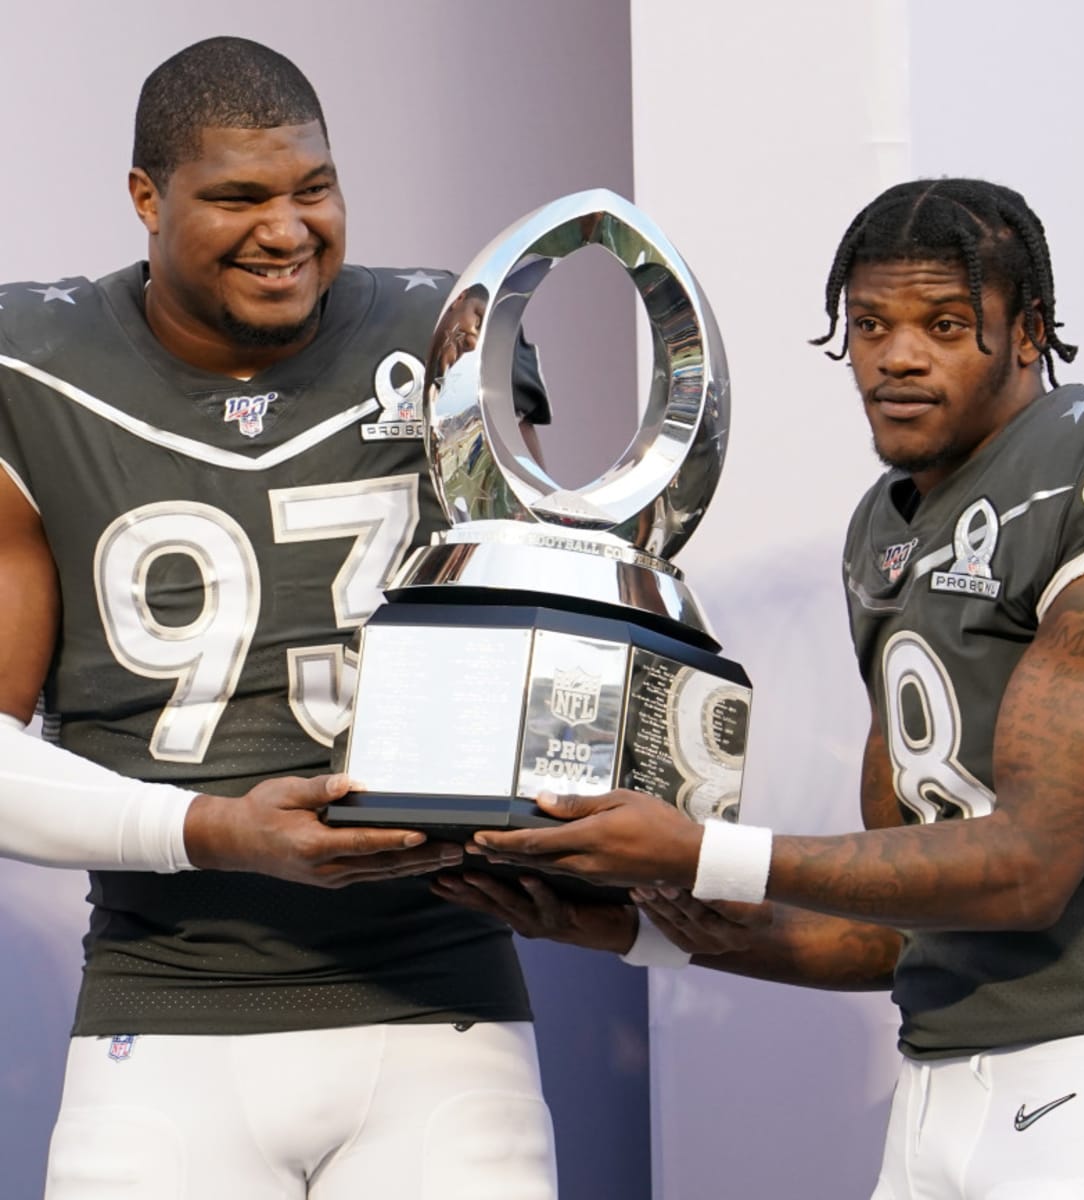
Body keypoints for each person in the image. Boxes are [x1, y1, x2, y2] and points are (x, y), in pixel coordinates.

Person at [456, 177, 1084, 1198]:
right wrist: (644, 932)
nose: (896, 356)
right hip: (938, 1072)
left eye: (944, 324)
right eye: (870, 325)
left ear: (1029, 333)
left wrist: (708, 849)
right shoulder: (882, 532)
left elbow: (1030, 865)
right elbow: (899, 925)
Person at [0, 36, 558, 1199]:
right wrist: (216, 832)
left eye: (314, 188)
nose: (289, 229)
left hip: (441, 1009)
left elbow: (537, 660)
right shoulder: (36, 367)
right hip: (164, 1018)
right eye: (239, 197)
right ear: (147, 198)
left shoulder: (446, 336)